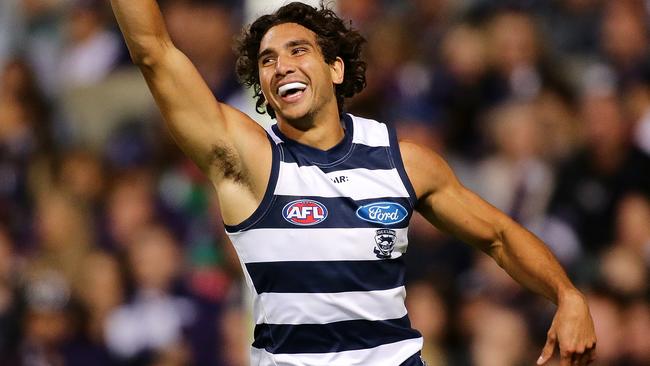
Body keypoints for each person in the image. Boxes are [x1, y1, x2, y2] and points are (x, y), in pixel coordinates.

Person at [109, 1, 597, 365]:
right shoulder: (250, 161)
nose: (281, 66)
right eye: (267, 60)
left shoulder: (403, 161)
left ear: (335, 67)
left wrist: (567, 295)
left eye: (298, 50)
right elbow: (153, 51)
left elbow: (499, 235)